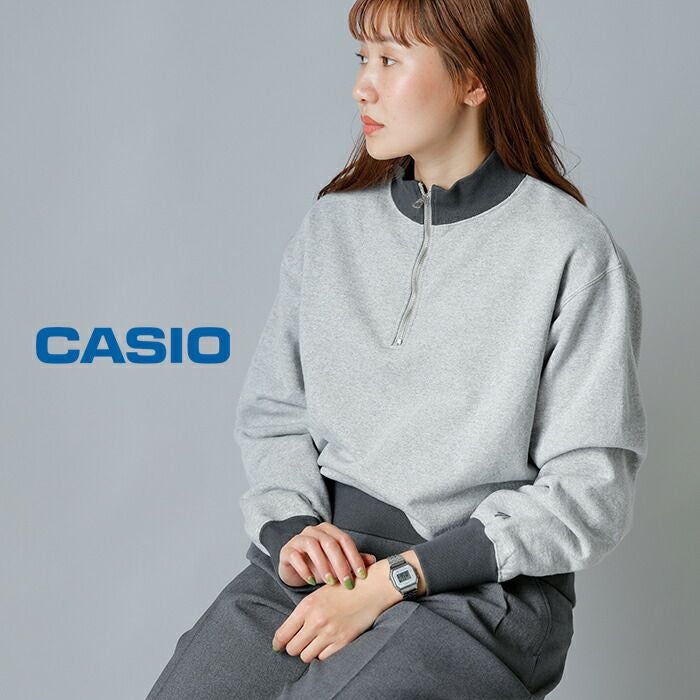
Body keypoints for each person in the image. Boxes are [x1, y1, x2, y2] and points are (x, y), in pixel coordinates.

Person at [146, 0, 648, 698]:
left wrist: (398, 579)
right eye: (363, 58)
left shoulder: (569, 250)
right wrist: (293, 526)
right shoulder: (330, 229)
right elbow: (275, 414)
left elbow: (590, 489)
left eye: (390, 60)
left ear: (474, 79)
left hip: (481, 588)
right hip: (328, 561)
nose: (363, 85)